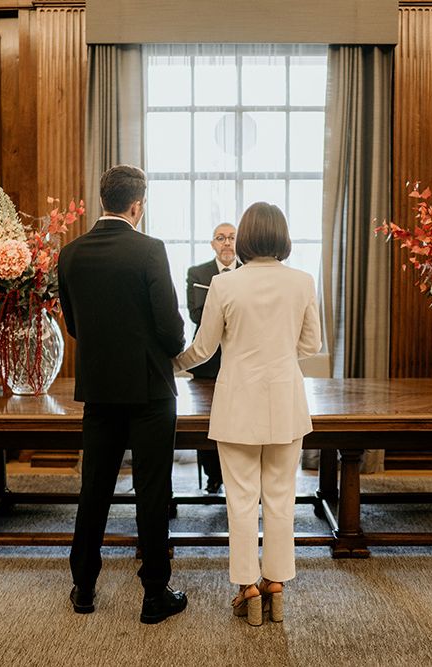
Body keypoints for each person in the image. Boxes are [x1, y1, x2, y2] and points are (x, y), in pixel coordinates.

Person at [174, 202, 321, 626]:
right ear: (283, 238)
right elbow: (310, 345)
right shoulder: (302, 282)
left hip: (237, 402)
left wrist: (168, 366)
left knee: (240, 500)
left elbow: (203, 350)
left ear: (245, 237)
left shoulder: (225, 286)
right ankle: (276, 584)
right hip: (286, 403)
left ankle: (247, 588)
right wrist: (277, 355)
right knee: (280, 497)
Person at [58, 164, 188, 623]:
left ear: (102, 201)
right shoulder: (150, 250)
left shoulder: (70, 254)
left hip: (99, 390)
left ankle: (83, 587)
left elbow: (73, 325)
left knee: (94, 487)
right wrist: (168, 346)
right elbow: (172, 332)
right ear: (137, 205)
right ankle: (155, 594)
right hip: (151, 391)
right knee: (153, 490)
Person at [185, 222, 240, 493]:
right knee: (203, 424)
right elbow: (196, 314)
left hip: (239, 359)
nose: (227, 243)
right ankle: (213, 477)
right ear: (213, 244)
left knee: (236, 420)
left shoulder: (248, 273)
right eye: (221, 238)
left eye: (231, 238)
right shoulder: (197, 273)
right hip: (206, 364)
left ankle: (236, 477)